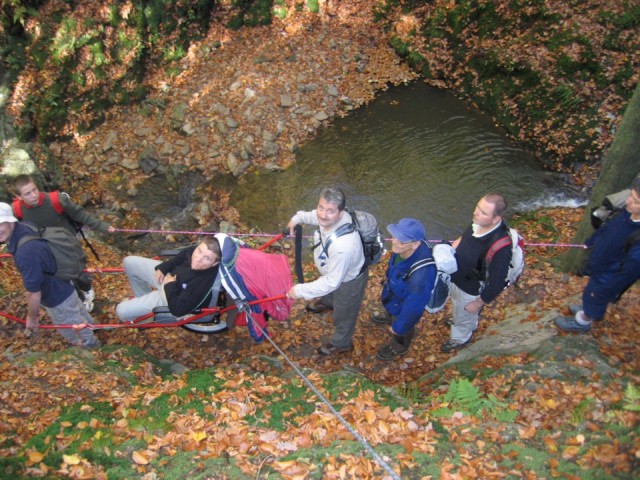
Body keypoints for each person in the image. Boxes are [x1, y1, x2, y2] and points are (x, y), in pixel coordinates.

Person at [0, 202, 100, 348]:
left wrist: (32, 317)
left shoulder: (26, 252)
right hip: (64, 281)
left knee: (72, 328)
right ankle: (93, 329)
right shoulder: (24, 227)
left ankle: (93, 348)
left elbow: (33, 293)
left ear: (10, 221)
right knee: (77, 311)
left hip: (57, 296)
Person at [11, 174, 116, 312]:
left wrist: (102, 226)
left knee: (78, 269)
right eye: (28, 193)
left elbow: (79, 214)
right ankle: (78, 299)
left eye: (34, 189)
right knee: (58, 276)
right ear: (19, 197)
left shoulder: (56, 200)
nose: (34, 195)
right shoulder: (17, 210)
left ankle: (86, 289)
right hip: (45, 247)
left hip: (67, 243)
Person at [286, 185, 368, 355]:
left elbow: (332, 282)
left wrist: (300, 290)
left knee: (343, 315)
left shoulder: (343, 246)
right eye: (321, 208)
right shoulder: (330, 219)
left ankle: (342, 343)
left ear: (340, 212)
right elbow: (313, 217)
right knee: (331, 291)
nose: (323, 215)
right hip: (334, 273)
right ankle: (328, 302)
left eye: (330, 211)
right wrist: (296, 219)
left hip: (349, 282)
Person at [555, 177, 640, 333]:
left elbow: (626, 275)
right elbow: (607, 229)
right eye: (630, 196)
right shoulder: (628, 213)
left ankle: (583, 322)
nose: (628, 201)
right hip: (601, 264)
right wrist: (591, 241)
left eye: (635, 201)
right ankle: (592, 309)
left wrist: (605, 290)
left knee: (594, 296)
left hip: (609, 276)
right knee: (592, 295)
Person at [444, 193, 512, 353]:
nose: (476, 213)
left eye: (483, 212)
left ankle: (459, 338)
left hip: (470, 290)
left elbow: (497, 283)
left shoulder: (501, 248)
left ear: (496, 219)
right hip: (456, 277)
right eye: (477, 208)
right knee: (458, 308)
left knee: (465, 315)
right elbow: (465, 238)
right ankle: (460, 319)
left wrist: (478, 303)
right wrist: (451, 249)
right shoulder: (478, 223)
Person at [116, 237, 221, 322]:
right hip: (169, 275)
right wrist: (164, 268)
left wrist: (170, 284)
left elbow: (177, 309)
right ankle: (143, 307)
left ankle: (139, 315)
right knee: (129, 262)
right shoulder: (196, 250)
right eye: (199, 251)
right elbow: (180, 257)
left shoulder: (200, 284)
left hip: (170, 296)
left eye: (207, 258)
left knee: (120, 311)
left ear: (215, 263)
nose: (198, 259)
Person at [373, 218, 436, 361]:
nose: (394, 242)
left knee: (403, 326)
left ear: (415, 244)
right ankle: (389, 317)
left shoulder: (421, 277)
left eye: (401, 241)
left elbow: (413, 308)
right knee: (393, 313)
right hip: (394, 294)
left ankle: (399, 346)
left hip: (403, 303)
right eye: (395, 236)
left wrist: (399, 327)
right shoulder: (402, 248)